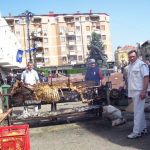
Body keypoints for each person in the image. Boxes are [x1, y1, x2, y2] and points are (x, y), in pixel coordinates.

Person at [127, 50, 149, 139]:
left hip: (139, 91)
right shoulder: (130, 66)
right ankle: (143, 128)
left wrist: (144, 91)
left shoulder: (141, 64)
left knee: (137, 112)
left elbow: (146, 77)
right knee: (139, 111)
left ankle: (136, 132)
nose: (131, 58)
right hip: (134, 91)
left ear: (137, 56)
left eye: (133, 56)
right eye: (130, 56)